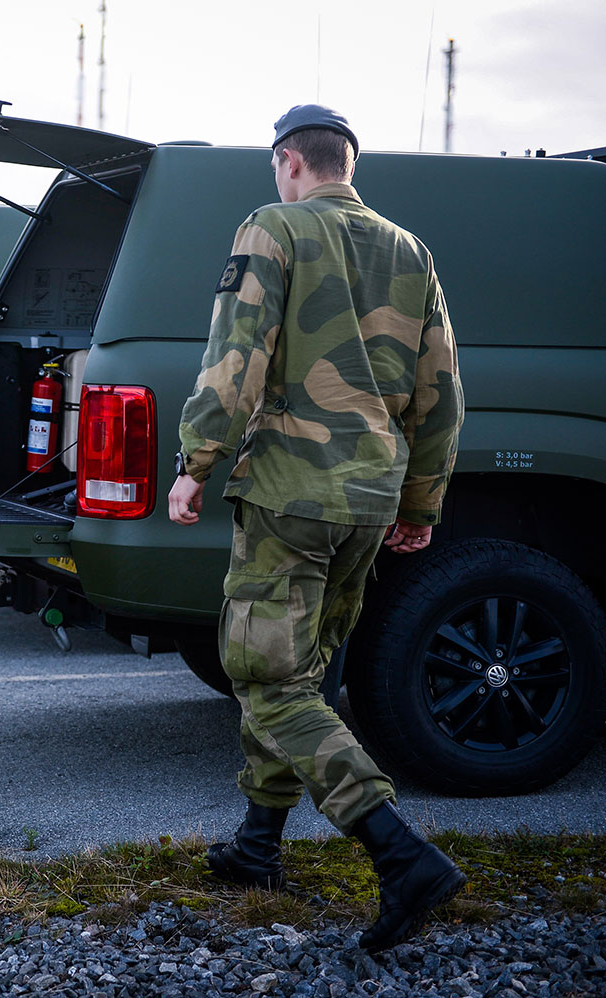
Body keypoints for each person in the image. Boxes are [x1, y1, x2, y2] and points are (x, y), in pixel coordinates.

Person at [167, 105, 466, 952]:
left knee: (267, 677)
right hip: (370, 498)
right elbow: (442, 389)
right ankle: (259, 845)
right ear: (348, 163)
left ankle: (399, 853)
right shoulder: (411, 249)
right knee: (302, 671)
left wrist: (195, 465)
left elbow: (237, 351)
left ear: (289, 161)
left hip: (292, 495)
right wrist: (419, 504)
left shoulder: (275, 226)